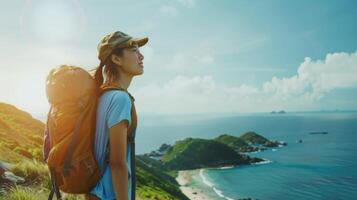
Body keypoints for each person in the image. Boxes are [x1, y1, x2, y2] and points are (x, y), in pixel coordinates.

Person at [86, 31, 148, 200]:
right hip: (109, 194)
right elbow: (117, 163)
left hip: (94, 192)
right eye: (134, 50)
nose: (141, 56)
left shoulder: (101, 96)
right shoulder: (120, 99)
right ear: (116, 59)